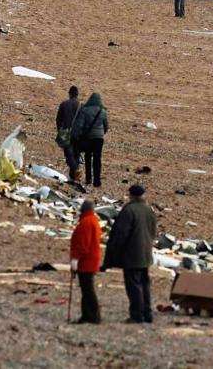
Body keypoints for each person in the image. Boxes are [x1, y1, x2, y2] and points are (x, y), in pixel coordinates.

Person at [102, 184, 157, 324]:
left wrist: (111, 257)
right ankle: (147, 313)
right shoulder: (149, 210)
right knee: (145, 284)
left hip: (132, 254)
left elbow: (120, 235)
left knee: (134, 285)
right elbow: (153, 232)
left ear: (131, 195)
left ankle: (137, 315)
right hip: (146, 253)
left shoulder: (129, 210)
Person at [70, 199, 103, 324]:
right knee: (86, 290)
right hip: (91, 260)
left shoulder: (86, 222)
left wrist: (75, 259)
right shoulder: (93, 220)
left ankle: (93, 316)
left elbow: (83, 244)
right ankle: (87, 315)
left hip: (86, 262)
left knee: (88, 290)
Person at [71, 92, 109, 189]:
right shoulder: (103, 111)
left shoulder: (85, 110)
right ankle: (97, 181)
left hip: (88, 137)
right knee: (97, 159)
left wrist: (77, 135)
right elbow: (106, 126)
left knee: (88, 157)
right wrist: (101, 133)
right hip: (99, 138)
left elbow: (80, 124)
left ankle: (88, 178)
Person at [56, 86, 82, 185]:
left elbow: (58, 119)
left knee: (69, 155)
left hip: (66, 133)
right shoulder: (82, 106)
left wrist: (60, 131)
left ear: (70, 94)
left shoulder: (64, 104)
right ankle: (73, 178)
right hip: (78, 135)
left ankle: (76, 171)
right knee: (76, 155)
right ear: (77, 94)